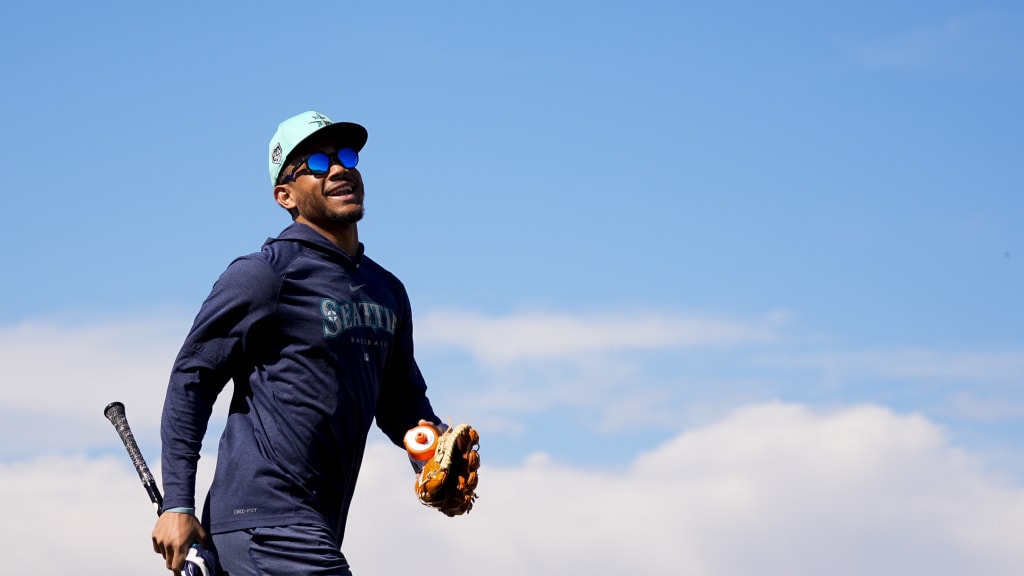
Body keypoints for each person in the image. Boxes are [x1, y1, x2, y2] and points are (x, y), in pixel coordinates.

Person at [151, 110, 444, 575]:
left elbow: (402, 402)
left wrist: (432, 450)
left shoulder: (387, 291)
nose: (339, 168)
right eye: (318, 163)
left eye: (346, 156)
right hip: (263, 522)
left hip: (315, 527)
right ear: (284, 195)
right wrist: (178, 503)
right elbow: (192, 378)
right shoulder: (265, 274)